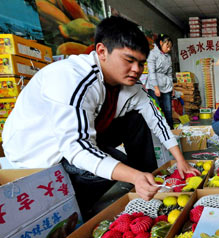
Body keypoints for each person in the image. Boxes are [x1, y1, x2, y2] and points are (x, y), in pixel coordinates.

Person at [2, 16, 198, 219]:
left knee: (136, 120)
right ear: (102, 52)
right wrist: (132, 175)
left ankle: (148, 181)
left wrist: (180, 160)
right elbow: (77, 147)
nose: (137, 70)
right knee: (108, 169)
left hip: (83, 133)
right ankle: (75, 207)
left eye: (140, 63)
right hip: (40, 148)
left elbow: (156, 120)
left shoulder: (130, 85)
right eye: (129, 61)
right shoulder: (74, 79)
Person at [145, 34, 174, 129]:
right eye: (167, 46)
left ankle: (171, 131)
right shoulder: (152, 54)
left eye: (170, 47)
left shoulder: (168, 57)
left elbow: (169, 73)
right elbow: (152, 72)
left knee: (168, 110)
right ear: (161, 43)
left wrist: (172, 87)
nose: (169, 49)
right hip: (154, 86)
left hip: (166, 85)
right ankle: (160, 130)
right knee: (157, 110)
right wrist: (156, 88)